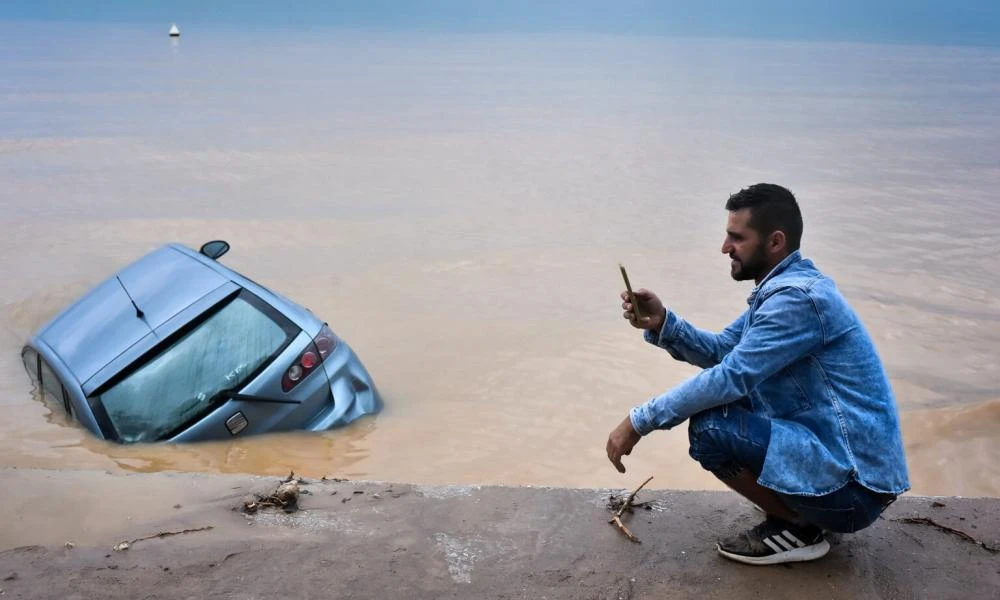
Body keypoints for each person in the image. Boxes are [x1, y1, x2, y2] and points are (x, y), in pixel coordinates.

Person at [606, 183, 909, 566]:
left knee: (711, 427)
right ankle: (803, 512)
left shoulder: (797, 300)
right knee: (730, 403)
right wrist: (663, 322)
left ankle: (799, 528)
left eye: (736, 237)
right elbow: (722, 352)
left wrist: (638, 421)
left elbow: (730, 376)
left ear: (775, 242)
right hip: (850, 476)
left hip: (854, 492)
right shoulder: (784, 291)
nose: (724, 247)